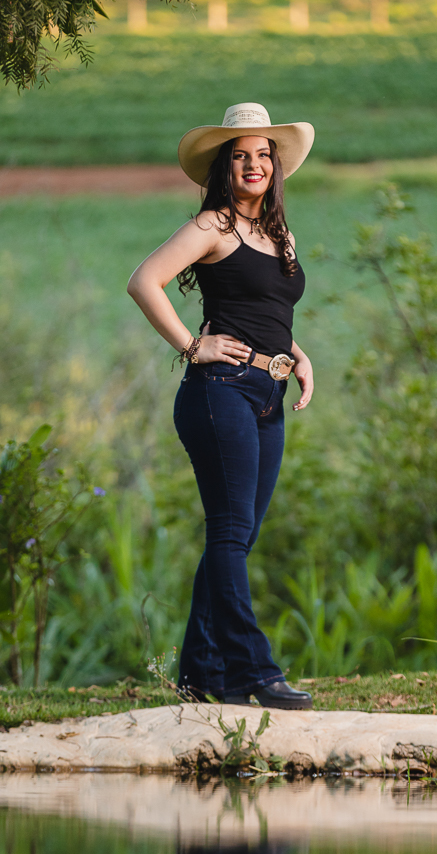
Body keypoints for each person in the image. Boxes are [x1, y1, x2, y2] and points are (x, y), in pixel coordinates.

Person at [127, 103, 314, 710]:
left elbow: (268, 314)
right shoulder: (214, 226)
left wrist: (296, 355)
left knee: (239, 538)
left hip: (269, 394)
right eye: (241, 155)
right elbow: (144, 280)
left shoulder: (280, 231)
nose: (254, 164)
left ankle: (201, 674)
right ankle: (254, 670)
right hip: (220, 392)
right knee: (230, 533)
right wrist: (191, 345)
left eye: (263, 154)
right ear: (224, 167)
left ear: (275, 165)